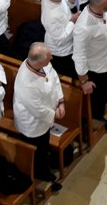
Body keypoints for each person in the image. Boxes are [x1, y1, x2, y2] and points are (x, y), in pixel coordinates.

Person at [13, 43, 65, 190]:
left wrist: (61, 101)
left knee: (44, 146)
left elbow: (53, 77)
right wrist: (55, 113)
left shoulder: (39, 64)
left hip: (46, 116)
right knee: (38, 151)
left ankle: (44, 167)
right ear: (40, 61)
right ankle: (40, 174)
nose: (52, 58)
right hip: (33, 123)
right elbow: (37, 109)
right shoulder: (27, 82)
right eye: (49, 57)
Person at [73, 0, 107, 130]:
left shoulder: (105, 11)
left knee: (103, 97)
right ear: (99, 5)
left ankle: (99, 118)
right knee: (96, 101)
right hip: (96, 69)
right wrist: (84, 81)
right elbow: (79, 55)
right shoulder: (84, 27)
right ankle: (91, 127)